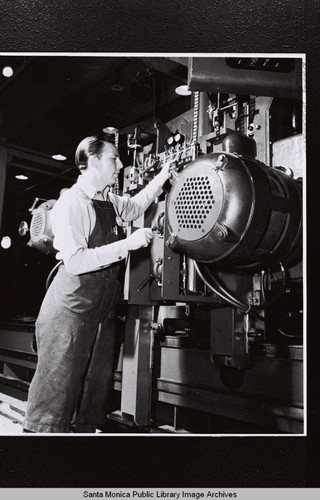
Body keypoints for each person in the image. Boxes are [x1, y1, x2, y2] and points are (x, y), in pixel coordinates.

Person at [23, 133, 176, 433]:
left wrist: (162, 177)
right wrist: (128, 244)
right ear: (92, 161)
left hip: (99, 312)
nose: (120, 164)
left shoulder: (107, 199)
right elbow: (77, 261)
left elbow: (134, 207)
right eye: (113, 158)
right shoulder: (71, 203)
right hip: (71, 310)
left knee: (90, 401)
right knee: (53, 403)